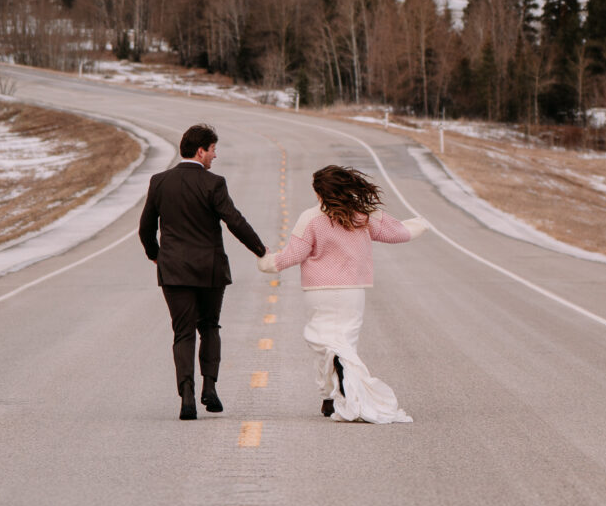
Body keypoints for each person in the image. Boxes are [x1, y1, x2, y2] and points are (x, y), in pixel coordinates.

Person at [260, 165, 428, 424]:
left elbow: (293, 255)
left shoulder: (310, 218)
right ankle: (346, 391)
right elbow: (397, 233)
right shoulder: (361, 216)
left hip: (318, 291)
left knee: (321, 341)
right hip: (351, 290)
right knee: (345, 342)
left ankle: (328, 396)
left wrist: (267, 262)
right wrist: (420, 224)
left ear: (320, 193)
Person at [140, 123, 266, 420]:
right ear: (200, 150)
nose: (215, 156)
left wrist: (157, 256)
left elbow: (146, 228)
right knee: (209, 327)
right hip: (209, 270)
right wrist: (261, 251)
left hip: (174, 271)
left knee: (182, 332)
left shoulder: (159, 181)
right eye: (212, 150)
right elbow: (234, 221)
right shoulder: (214, 184)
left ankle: (186, 396)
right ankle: (209, 389)